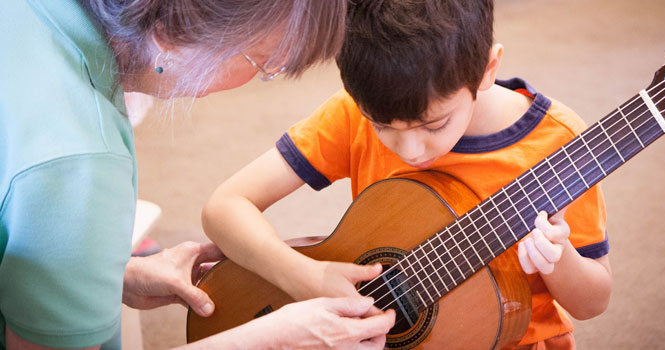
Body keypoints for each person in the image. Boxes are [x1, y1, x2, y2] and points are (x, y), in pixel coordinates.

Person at [202, 0, 613, 348]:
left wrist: (559, 261)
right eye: (383, 126)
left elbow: (593, 303)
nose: (411, 150)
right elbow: (225, 206)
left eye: (434, 125)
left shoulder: (561, 146)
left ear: (487, 69)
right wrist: (305, 277)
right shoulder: (351, 114)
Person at [0, 0, 394, 349]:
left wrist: (107, 274)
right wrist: (273, 338)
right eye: (262, 63)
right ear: (170, 38)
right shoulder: (82, 168)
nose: (259, 77)